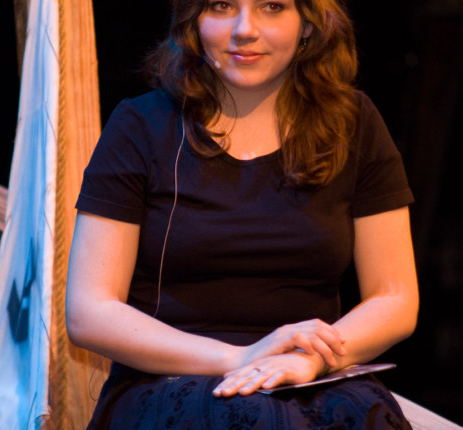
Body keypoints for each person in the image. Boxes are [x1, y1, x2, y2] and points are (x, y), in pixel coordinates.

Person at [66, 0, 419, 427]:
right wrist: (242, 357)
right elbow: (89, 313)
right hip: (170, 378)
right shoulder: (141, 125)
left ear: (308, 24)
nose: (244, 29)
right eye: (222, 5)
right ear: (195, 20)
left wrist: (313, 358)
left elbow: (395, 297)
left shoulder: (354, 122)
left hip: (309, 376)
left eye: (272, 6)